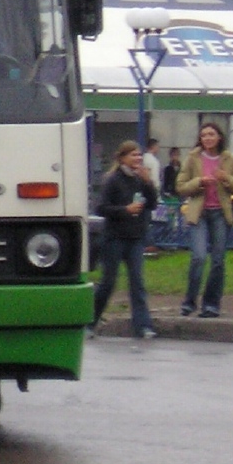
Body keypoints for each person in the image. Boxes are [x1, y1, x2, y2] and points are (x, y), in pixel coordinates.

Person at [175, 122, 233, 319]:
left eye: (211, 134)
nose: (207, 138)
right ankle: (189, 302)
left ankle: (211, 305)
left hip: (220, 214)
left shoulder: (228, 158)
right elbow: (180, 186)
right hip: (199, 213)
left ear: (219, 137)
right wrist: (199, 182)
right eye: (204, 135)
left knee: (217, 261)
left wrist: (226, 178)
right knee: (198, 257)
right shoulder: (193, 158)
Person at [90, 140, 159, 339]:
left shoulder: (140, 179)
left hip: (135, 237)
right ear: (122, 158)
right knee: (108, 282)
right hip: (114, 238)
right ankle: (90, 322)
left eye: (139, 155)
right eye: (132, 155)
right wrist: (124, 210)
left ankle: (143, 326)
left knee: (137, 282)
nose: (137, 159)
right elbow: (101, 208)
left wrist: (148, 183)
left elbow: (152, 204)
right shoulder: (113, 179)